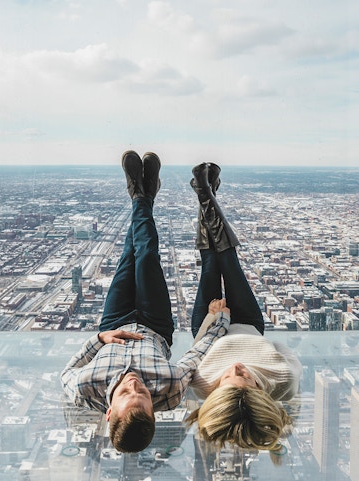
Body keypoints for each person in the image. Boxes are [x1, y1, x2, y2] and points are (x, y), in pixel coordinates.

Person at [61, 151, 230, 454]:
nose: (136, 384)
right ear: (155, 410)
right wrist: (221, 322)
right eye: (145, 395)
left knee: (129, 254)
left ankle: (144, 195)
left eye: (128, 391)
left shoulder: (84, 389)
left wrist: (100, 339)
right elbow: (196, 354)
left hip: (114, 321)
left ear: (109, 411)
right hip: (155, 323)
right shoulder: (171, 389)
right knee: (147, 255)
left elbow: (67, 372)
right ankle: (140, 195)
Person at [186, 162, 302, 452]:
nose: (237, 367)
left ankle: (207, 192)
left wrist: (214, 319)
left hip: (210, 320)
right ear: (261, 395)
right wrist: (253, 343)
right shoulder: (283, 380)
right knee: (229, 261)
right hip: (249, 323)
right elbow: (279, 347)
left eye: (227, 377)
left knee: (210, 263)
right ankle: (204, 192)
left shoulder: (201, 385)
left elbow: (198, 347)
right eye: (247, 378)